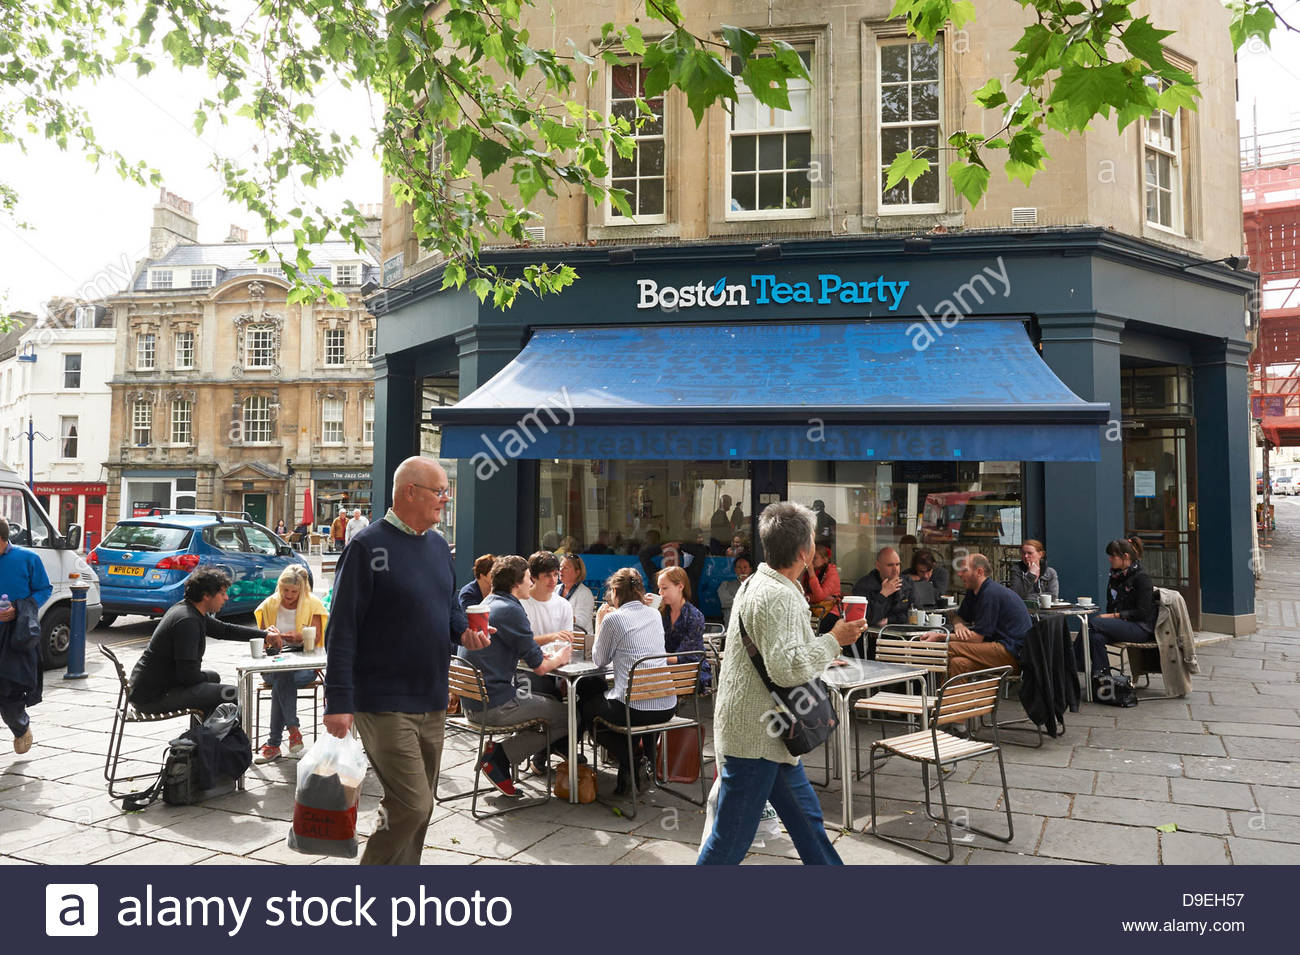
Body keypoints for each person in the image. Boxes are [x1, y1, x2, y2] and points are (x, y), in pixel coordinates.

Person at [323, 456, 491, 866]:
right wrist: (338, 701)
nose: (445, 500)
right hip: (382, 700)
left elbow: (448, 606)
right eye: (439, 491)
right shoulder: (367, 547)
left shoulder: (436, 545)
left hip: (431, 696)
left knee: (418, 807)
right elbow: (341, 630)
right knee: (412, 804)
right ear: (410, 491)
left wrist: (463, 632)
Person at [698, 502, 866, 865]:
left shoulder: (757, 583)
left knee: (807, 823)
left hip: (769, 731)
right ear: (805, 552)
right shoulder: (780, 596)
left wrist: (819, 648)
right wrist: (834, 639)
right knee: (729, 841)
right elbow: (787, 670)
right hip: (757, 736)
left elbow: (779, 653)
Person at [461, 556, 572, 793]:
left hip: (472, 704)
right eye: (527, 579)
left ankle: (506, 756)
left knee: (545, 703)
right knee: (569, 715)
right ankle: (500, 757)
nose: (531, 583)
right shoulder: (512, 610)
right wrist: (561, 658)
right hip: (495, 706)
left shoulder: (488, 603)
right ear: (516, 584)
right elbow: (540, 667)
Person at [130, 567, 276, 718]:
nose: (226, 598)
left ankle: (202, 734)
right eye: (222, 593)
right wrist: (205, 680)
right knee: (233, 693)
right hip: (153, 697)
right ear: (206, 595)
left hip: (152, 687)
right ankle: (207, 737)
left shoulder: (189, 609)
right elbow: (188, 676)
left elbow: (224, 630)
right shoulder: (188, 621)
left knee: (213, 678)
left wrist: (265, 635)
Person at [583, 568, 675, 795]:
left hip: (633, 708)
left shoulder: (614, 619)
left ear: (615, 591)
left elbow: (599, 660)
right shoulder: (654, 614)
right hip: (666, 706)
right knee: (614, 701)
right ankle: (634, 767)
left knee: (586, 708)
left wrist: (600, 622)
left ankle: (631, 761)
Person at [252, 565, 328, 763]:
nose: (289, 595)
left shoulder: (312, 604)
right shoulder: (269, 605)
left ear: (301, 590)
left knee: (282, 676)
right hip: (275, 663)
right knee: (281, 673)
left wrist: (301, 637)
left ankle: (273, 744)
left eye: (294, 592)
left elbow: (318, 636)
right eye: (285, 590)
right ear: (280, 587)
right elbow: (261, 640)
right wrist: (268, 635)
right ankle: (293, 728)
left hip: (303, 666)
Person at [925, 553, 1031, 678]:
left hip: (1012, 653)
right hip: (992, 649)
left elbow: (977, 638)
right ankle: (951, 697)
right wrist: (958, 624)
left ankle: (916, 683)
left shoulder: (990, 593)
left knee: (948, 647)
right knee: (958, 663)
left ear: (979, 572)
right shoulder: (973, 591)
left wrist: (940, 636)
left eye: (964, 570)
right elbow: (956, 616)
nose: (959, 574)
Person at [0, 515, 52, 754]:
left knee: (9, 691)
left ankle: (21, 728)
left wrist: (19, 608)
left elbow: (44, 589)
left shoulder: (28, 558)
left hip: (16, 634)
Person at [1081, 539, 1157, 676]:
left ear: (1125, 557)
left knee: (1094, 622)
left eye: (1112, 556)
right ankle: (1103, 679)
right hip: (1122, 625)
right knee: (1095, 637)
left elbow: (1143, 612)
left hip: (1140, 628)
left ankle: (1072, 664)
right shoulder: (1116, 576)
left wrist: (1113, 617)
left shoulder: (1141, 578)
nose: (1110, 560)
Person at [658, 566, 710, 688]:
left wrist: (655, 655)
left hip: (691, 671)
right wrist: (648, 610)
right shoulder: (660, 613)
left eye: (664, 588)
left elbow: (686, 656)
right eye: (659, 588)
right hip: (663, 667)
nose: (660, 593)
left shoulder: (694, 616)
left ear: (680, 586)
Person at [853, 546, 916, 628]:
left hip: (903, 634)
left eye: (897, 564)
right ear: (878, 566)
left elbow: (916, 613)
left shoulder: (907, 583)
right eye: (890, 565)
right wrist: (883, 595)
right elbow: (866, 619)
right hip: (874, 637)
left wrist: (889, 620)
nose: (895, 569)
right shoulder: (864, 586)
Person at [523, 551, 576, 645]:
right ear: (534, 577)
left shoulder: (564, 605)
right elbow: (520, 643)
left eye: (556, 574)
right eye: (547, 575)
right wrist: (552, 637)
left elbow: (567, 643)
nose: (553, 580)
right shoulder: (520, 604)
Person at [640, 537, 708, 608]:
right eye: (667, 557)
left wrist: (680, 546)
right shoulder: (657, 576)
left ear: (679, 559)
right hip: (664, 616)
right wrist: (661, 547)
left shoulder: (689, 575)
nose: (670, 561)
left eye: (673, 556)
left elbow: (700, 552)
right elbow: (643, 555)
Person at [802, 543, 841, 624]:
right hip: (812, 608)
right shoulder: (807, 574)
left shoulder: (831, 572)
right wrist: (808, 598)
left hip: (829, 611)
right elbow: (802, 593)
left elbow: (819, 596)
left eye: (815, 558)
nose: (812, 562)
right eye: (811, 558)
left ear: (824, 559)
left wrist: (812, 574)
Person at [559, 553, 595, 634]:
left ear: (577, 572)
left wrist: (557, 615)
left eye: (566, 568)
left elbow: (581, 623)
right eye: (560, 567)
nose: (561, 570)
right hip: (559, 639)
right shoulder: (555, 589)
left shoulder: (585, 593)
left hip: (580, 642)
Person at [716, 553, 752, 626]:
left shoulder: (756, 586)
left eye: (745, 567)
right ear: (735, 570)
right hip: (732, 626)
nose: (742, 571)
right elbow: (726, 602)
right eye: (739, 567)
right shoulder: (725, 585)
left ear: (750, 569)